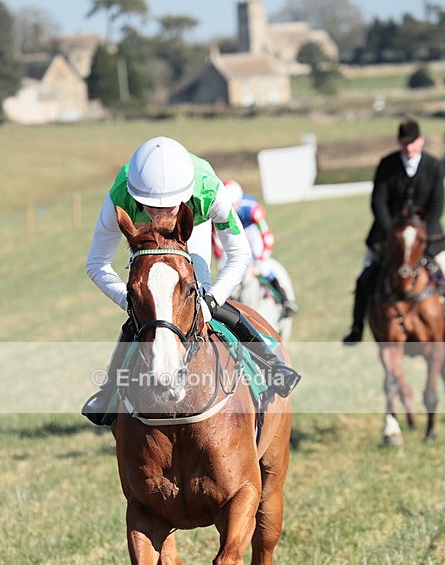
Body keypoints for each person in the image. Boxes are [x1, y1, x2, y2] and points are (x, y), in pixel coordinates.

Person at [82, 136, 300, 425]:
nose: (161, 215)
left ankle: (271, 365)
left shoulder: (209, 190)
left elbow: (239, 253)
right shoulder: (120, 195)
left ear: (184, 197)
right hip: (145, 245)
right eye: (151, 207)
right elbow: (96, 263)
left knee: (196, 294)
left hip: (193, 227)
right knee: (147, 316)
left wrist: (212, 298)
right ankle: (109, 390)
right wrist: (131, 301)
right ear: (136, 197)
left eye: (169, 207)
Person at [342, 117, 445, 344]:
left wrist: (421, 234)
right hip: (387, 237)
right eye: (404, 144)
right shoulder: (387, 165)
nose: (409, 148)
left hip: (427, 236)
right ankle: (356, 329)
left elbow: (437, 205)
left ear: (421, 142)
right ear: (399, 143)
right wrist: (392, 233)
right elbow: (378, 202)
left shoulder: (434, 166)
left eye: (413, 143)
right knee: (363, 278)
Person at [216, 180, 298, 318]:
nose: (232, 209)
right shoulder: (219, 209)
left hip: (251, 236)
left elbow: (267, 236)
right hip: (233, 232)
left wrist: (260, 261)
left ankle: (285, 300)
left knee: (264, 269)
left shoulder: (252, 209)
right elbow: (216, 241)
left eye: (234, 205)